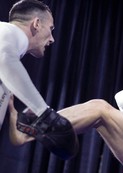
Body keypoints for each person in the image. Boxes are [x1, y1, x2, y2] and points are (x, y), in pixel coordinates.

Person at [0, 0, 78, 160]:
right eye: (50, 29)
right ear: (36, 24)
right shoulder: (8, 31)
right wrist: (45, 114)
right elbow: (4, 58)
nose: (52, 39)